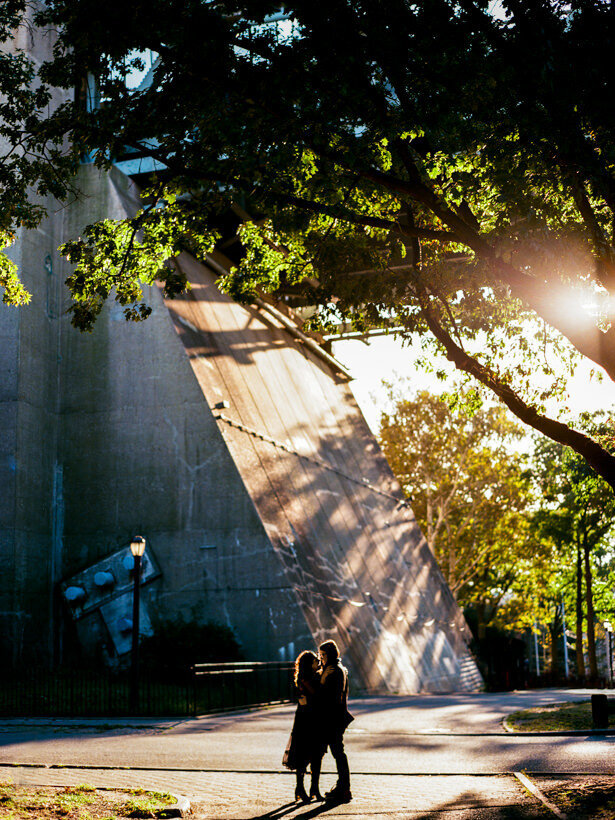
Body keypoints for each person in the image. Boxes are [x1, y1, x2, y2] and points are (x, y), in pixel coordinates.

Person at [282, 650, 326, 803]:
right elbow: (316, 695)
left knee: (317, 755)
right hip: (306, 720)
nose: (318, 662)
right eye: (315, 660)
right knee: (304, 754)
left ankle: (314, 788)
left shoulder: (314, 677)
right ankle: (301, 788)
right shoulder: (306, 679)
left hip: (312, 718)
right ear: (309, 664)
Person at [318, 639, 353, 803]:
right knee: (338, 752)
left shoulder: (333, 671)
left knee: (338, 752)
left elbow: (328, 696)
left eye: (323, 655)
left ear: (329, 655)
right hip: (335, 717)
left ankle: (344, 788)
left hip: (332, 718)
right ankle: (342, 787)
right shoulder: (338, 669)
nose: (321, 658)